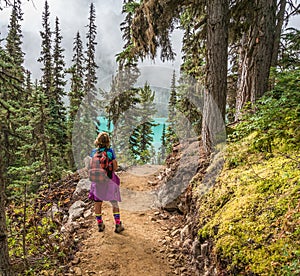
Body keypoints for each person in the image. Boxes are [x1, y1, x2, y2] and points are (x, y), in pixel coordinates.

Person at [88, 132, 125, 233]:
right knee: (114, 202)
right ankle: (117, 224)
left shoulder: (93, 152)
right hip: (109, 180)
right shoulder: (110, 152)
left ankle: (100, 223)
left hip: (97, 181)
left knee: (98, 203)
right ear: (108, 141)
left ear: (97, 141)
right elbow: (115, 166)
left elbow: (91, 166)